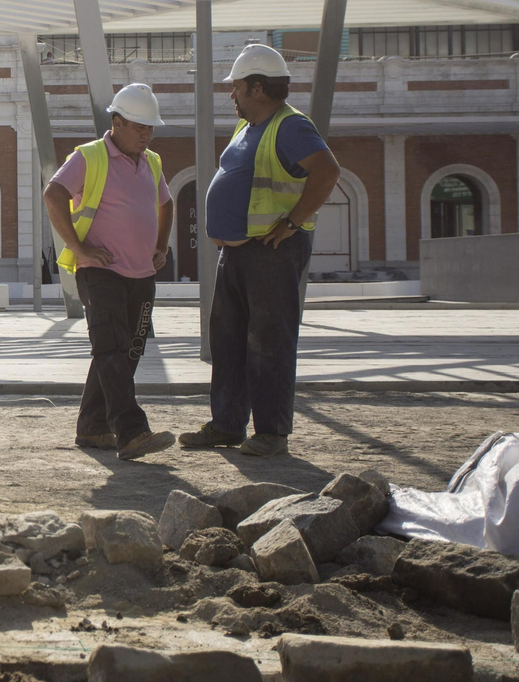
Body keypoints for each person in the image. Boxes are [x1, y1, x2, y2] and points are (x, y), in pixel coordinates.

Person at [179, 44, 341, 458]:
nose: (231, 95)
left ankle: (271, 433)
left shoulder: (290, 126)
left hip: (271, 252)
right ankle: (227, 425)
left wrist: (291, 222)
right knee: (229, 341)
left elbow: (327, 170)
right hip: (238, 255)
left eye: (236, 88)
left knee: (269, 341)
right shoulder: (249, 126)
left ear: (257, 87)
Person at [44, 83, 176, 462]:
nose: (146, 134)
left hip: (141, 275)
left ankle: (92, 426)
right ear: (116, 122)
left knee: (127, 352)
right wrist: (79, 247)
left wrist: (161, 246)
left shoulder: (151, 162)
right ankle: (132, 432)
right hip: (99, 271)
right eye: (139, 126)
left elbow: (165, 205)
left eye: (150, 127)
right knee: (110, 349)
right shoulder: (90, 156)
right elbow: (53, 194)